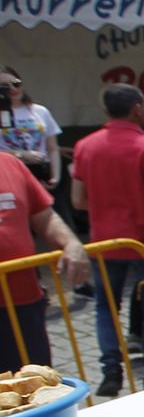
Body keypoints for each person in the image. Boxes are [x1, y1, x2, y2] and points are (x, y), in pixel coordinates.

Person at [70, 84, 144, 395]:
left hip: (104, 240)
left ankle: (111, 370)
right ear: (138, 109)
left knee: (106, 307)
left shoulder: (85, 146)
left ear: (106, 110)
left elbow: (78, 200)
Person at [0, 148, 88, 372]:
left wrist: (71, 243)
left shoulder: (10, 163)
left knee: (34, 383)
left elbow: (44, 216)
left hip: (23, 304)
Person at [1, 68, 63, 194]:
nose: (13, 89)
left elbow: (52, 148)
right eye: (4, 86)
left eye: (16, 83)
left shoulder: (40, 111)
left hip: (40, 171)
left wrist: (55, 176)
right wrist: (21, 154)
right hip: (9, 173)